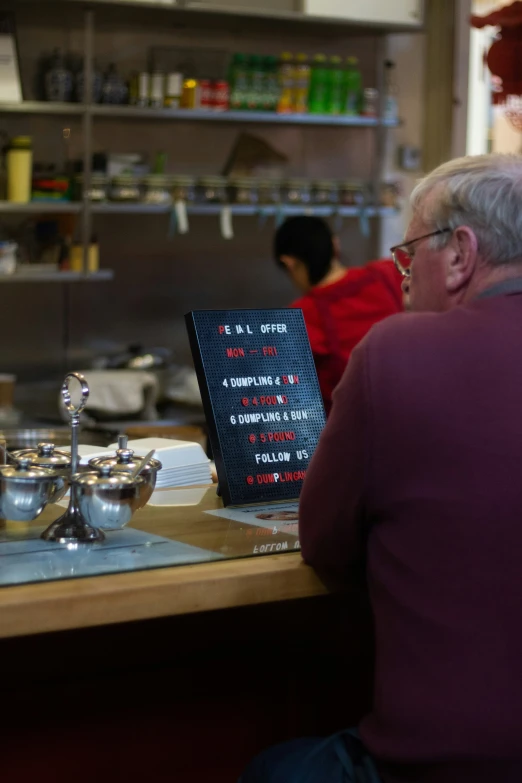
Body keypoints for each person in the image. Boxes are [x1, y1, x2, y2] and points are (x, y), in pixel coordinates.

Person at [241, 154, 522, 782]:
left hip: (445, 763)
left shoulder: (397, 351)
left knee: (272, 770)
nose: (401, 278)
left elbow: (325, 544)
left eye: (408, 254)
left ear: (459, 255)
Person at [274, 216, 403, 413]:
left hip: (349, 432)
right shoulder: (386, 272)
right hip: (406, 411)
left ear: (289, 263)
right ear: (335, 245)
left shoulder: (301, 316)